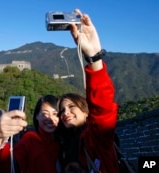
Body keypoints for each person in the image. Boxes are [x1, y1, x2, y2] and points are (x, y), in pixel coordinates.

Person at [57, 9, 118, 173]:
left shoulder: (96, 138)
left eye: (71, 107)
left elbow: (102, 110)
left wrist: (94, 58)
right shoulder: (62, 145)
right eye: (61, 110)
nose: (65, 113)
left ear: (86, 112)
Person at [0, 95, 60, 173]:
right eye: (44, 114)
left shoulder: (63, 140)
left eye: (55, 114)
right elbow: (8, 166)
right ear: (37, 116)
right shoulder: (30, 139)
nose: (50, 118)